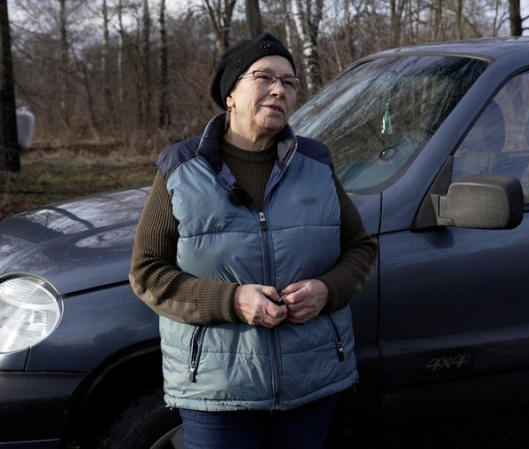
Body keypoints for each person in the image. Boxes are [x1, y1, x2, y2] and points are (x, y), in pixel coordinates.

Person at [129, 32, 377, 449]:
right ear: (230, 94)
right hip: (216, 390)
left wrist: (327, 290)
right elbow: (147, 272)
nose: (279, 89)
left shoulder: (316, 163)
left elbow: (361, 249)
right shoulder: (180, 169)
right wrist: (232, 301)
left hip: (311, 380)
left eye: (290, 82)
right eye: (263, 77)